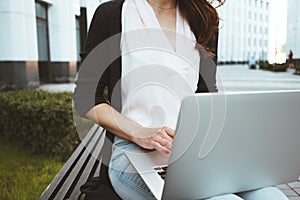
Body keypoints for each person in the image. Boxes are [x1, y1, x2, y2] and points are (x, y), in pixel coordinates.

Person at [73, 0, 289, 199]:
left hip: (192, 149)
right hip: (131, 151)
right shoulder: (112, 14)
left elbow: (206, 93)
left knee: (272, 196)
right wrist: (139, 132)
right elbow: (85, 97)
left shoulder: (203, 18)